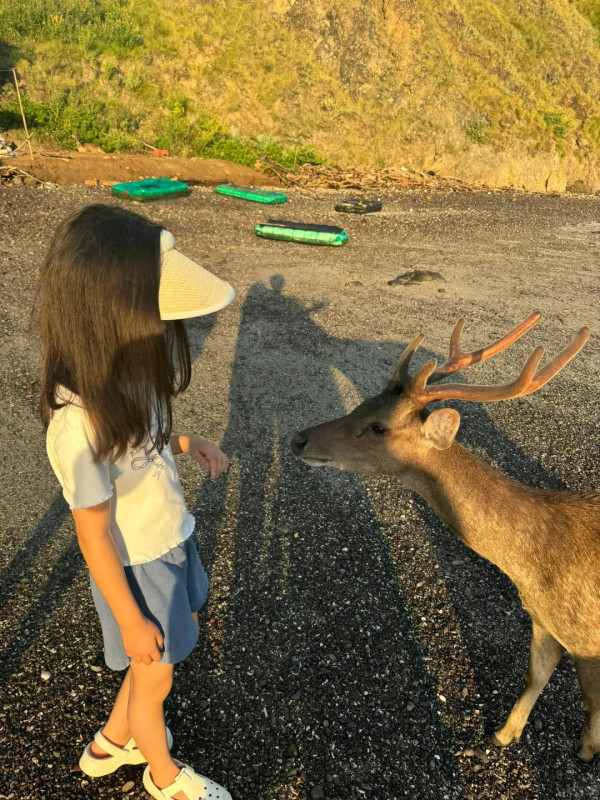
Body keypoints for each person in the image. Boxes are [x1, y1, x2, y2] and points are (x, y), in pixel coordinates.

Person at [39, 204, 234, 800]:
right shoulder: (77, 426)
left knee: (166, 651)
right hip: (139, 565)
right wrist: (130, 619)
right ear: (106, 313)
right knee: (155, 682)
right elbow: (93, 536)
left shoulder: (126, 376)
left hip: (171, 539)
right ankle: (164, 776)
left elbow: (143, 439)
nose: (161, 330)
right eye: (153, 315)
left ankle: (110, 743)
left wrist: (187, 442)